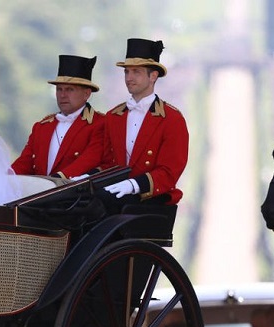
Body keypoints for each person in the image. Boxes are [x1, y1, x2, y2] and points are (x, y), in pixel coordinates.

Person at [100, 39, 189, 212]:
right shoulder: (113, 116)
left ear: (153, 76)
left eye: (136, 72)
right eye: (126, 72)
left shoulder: (172, 118)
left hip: (151, 199)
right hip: (116, 194)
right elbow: (106, 163)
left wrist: (133, 184)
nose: (129, 78)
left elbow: (169, 171)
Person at [11, 55, 104, 180]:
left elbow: (88, 161)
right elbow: (23, 164)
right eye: (59, 89)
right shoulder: (41, 127)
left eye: (69, 89)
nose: (63, 95)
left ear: (86, 93)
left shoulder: (100, 124)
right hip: (39, 196)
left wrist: (55, 181)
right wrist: (5, 177)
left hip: (76, 196)